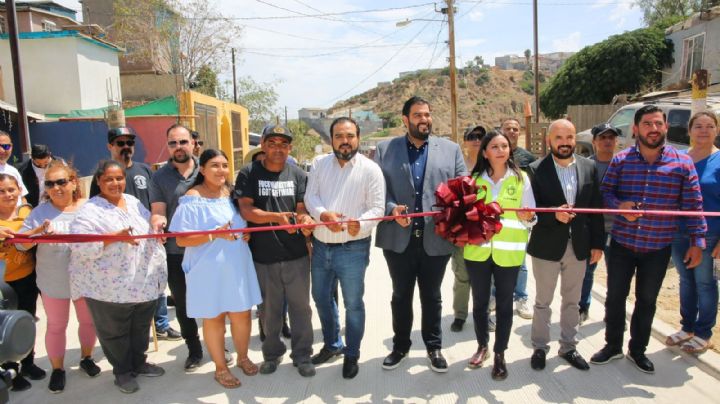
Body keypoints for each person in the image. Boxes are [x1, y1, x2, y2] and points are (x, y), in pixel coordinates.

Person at [591, 105, 706, 374]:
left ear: (665, 127)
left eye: (658, 124)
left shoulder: (682, 163)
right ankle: (612, 346)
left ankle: (637, 350)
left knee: (647, 300)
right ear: (635, 129)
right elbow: (605, 193)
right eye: (647, 124)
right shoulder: (621, 161)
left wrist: (697, 241)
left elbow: (693, 203)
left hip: (657, 247)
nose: (653, 129)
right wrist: (620, 206)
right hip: (622, 244)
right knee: (615, 297)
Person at [374, 96, 466, 373]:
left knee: (432, 296)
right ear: (405, 120)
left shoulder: (451, 150)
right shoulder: (384, 149)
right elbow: (376, 188)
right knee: (401, 295)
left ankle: (434, 347)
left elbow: (463, 189)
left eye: (427, 114)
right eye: (417, 115)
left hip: (435, 238)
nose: (424, 120)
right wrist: (391, 208)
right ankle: (400, 346)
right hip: (397, 239)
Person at [69, 160, 167, 393]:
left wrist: (157, 228)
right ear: (99, 182)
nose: (115, 183)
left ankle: (138, 363)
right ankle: (122, 372)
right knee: (115, 334)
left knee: (140, 328)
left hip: (142, 283)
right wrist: (113, 237)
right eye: (109, 179)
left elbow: (148, 228)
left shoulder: (133, 202)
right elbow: (79, 246)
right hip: (108, 289)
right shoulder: (89, 211)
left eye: (119, 178)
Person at [171, 149, 262, 388]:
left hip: (237, 266)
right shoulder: (192, 198)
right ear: (202, 169)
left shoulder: (232, 194)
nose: (221, 170)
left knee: (242, 313)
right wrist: (215, 234)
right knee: (215, 318)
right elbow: (181, 240)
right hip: (207, 270)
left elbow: (240, 225)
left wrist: (245, 236)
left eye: (224, 165)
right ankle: (220, 368)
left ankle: (243, 357)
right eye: (214, 165)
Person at [304, 117, 385, 379]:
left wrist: (359, 225)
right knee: (321, 298)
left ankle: (352, 354)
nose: (345, 141)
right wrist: (322, 214)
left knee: (353, 303)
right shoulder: (318, 164)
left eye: (350, 135)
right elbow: (310, 196)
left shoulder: (371, 169)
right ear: (331, 139)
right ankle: (332, 344)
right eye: (339, 136)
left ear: (358, 138)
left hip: (353, 248)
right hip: (321, 245)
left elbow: (377, 208)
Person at [235, 124, 316, 377]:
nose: (278, 149)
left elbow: (302, 208)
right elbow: (246, 210)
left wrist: (303, 222)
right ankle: (272, 354)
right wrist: (276, 218)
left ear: (289, 148)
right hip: (263, 256)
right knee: (269, 311)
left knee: (301, 308)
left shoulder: (298, 175)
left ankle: (302, 355)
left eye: (283, 144)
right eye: (272, 143)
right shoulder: (249, 173)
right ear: (263, 146)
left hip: (297, 255)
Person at [526, 119, 604, 372]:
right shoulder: (536, 169)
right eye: (558, 138)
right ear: (550, 140)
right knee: (543, 301)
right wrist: (552, 214)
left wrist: (597, 244)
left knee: (572, 301)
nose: (564, 143)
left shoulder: (589, 167)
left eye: (569, 137)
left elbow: (595, 210)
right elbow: (531, 210)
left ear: (575, 139)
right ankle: (539, 347)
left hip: (579, 246)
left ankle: (568, 346)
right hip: (546, 246)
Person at [92, 127, 181, 342]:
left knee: (156, 282)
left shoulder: (145, 170)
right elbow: (96, 209)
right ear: (110, 147)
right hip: (121, 244)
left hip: (149, 238)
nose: (125, 147)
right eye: (120, 143)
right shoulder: (103, 176)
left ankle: (161, 324)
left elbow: (156, 202)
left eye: (129, 143)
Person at [19, 162, 100, 393]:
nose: (56, 188)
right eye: (50, 183)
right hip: (53, 281)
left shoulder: (90, 207)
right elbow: (23, 246)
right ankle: (58, 369)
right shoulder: (39, 213)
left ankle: (86, 358)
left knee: (88, 322)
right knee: (56, 326)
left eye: (61, 181)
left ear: (74, 182)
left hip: (86, 279)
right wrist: (36, 232)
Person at [463, 130, 536, 380]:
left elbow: (531, 217)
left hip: (509, 254)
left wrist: (529, 217)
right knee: (481, 304)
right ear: (485, 152)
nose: (501, 150)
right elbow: (464, 217)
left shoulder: (521, 179)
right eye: (494, 146)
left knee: (504, 305)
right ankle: (482, 346)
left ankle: (499, 353)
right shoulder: (474, 179)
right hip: (478, 253)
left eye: (504, 146)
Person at [151, 124, 223, 371]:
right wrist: (157, 222)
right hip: (175, 252)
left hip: (210, 250)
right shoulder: (159, 177)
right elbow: (158, 210)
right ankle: (194, 349)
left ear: (193, 143)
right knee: (183, 304)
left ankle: (218, 345)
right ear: (168, 146)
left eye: (183, 142)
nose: (178, 147)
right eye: (172, 143)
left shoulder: (207, 170)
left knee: (214, 300)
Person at [666, 111, 720, 354]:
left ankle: (703, 332)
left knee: (705, 283)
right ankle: (687, 327)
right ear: (689, 131)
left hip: (710, 234)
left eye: (710, 126)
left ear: (717, 131)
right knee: (686, 281)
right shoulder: (678, 159)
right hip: (679, 232)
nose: (704, 130)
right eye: (698, 126)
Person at [0, 174, 46, 391]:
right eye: (2, 191)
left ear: (19, 190)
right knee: (5, 328)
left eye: (11, 189)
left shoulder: (27, 213)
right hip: (3, 284)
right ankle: (10, 369)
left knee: (26, 321)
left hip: (27, 277)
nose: (8, 195)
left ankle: (28, 362)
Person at [579, 123, 619, 324]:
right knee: (587, 271)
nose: (607, 141)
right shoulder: (585, 166)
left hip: (619, 228)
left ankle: (613, 312)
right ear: (594, 141)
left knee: (617, 273)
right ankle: (582, 307)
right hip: (593, 228)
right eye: (603, 137)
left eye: (611, 137)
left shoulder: (623, 164)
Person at [450, 125, 485, 332]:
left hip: (485, 231)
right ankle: (460, 315)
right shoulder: (456, 166)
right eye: (471, 136)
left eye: (480, 136)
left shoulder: (492, 165)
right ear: (464, 141)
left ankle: (484, 314)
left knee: (485, 278)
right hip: (462, 230)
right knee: (461, 275)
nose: (476, 140)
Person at [499, 118, 535, 319]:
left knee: (520, 262)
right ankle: (496, 296)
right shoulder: (492, 156)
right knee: (495, 260)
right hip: (496, 221)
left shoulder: (528, 158)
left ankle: (521, 297)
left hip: (519, 222)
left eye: (515, 128)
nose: (511, 131)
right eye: (507, 128)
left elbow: (532, 189)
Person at [0, 131, 29, 205]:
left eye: (6, 146)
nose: (2, 150)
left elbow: (22, 198)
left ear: (11, 147)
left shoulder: (13, 171)